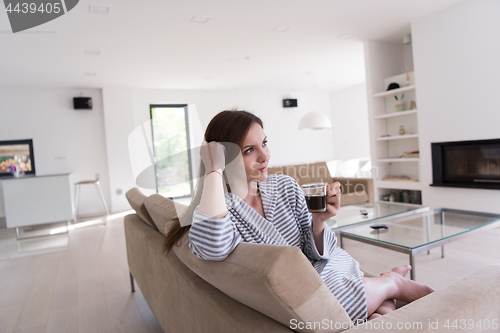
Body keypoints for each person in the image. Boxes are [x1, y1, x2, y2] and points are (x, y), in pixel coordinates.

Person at [163, 110, 434, 322]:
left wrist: (319, 221)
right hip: (294, 288)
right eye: (249, 150)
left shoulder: (285, 185)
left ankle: (379, 300)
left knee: (337, 296)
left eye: (264, 143)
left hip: (324, 269)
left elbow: (314, 249)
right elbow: (212, 248)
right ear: (224, 157)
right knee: (330, 307)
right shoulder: (217, 208)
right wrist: (213, 170)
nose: (264, 156)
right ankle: (390, 284)